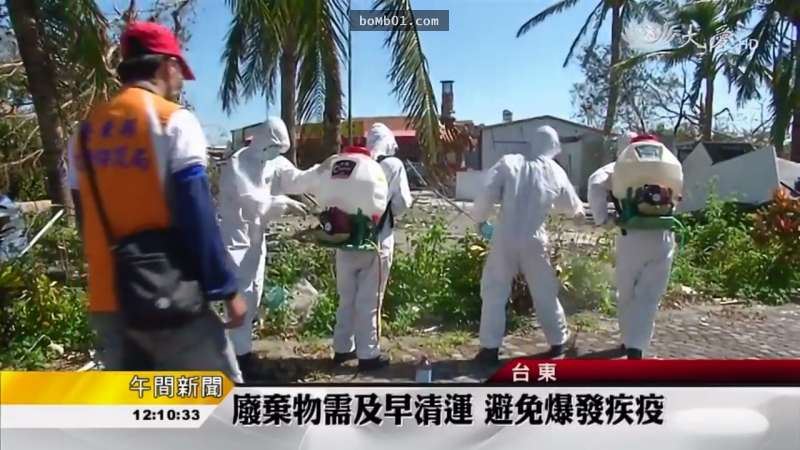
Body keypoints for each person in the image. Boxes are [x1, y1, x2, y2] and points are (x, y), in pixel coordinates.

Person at [67, 21, 246, 381]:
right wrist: (226, 288)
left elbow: (84, 219)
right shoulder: (172, 120)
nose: (180, 81)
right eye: (179, 70)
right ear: (167, 65)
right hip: (170, 296)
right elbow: (197, 213)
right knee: (220, 403)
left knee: (137, 406)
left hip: (109, 299)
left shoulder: (83, 134)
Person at [219, 117, 322, 379]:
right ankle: (236, 360)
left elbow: (296, 180)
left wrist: (321, 171)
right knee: (241, 297)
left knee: (254, 294)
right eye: (274, 147)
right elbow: (253, 203)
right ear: (263, 141)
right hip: (236, 240)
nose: (277, 153)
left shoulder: (274, 162)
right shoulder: (238, 163)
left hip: (256, 240)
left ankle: (242, 353)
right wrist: (282, 203)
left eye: (280, 149)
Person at [472, 125, 585, 364]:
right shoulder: (555, 171)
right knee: (544, 291)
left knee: (494, 291)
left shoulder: (508, 162)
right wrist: (576, 213)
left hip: (504, 237)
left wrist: (480, 219)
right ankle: (558, 341)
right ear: (553, 146)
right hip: (535, 239)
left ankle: (489, 349)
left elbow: (486, 192)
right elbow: (572, 206)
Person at [587, 132, 675, 360]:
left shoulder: (619, 166)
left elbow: (595, 182)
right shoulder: (667, 164)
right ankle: (636, 347)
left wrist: (603, 219)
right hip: (663, 235)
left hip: (631, 236)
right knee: (649, 296)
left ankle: (629, 341)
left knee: (626, 291)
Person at [332, 123, 412, 371]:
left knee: (346, 298)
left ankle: (343, 348)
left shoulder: (351, 164)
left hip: (345, 241)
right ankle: (368, 355)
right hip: (375, 243)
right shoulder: (393, 165)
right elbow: (402, 203)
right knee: (370, 300)